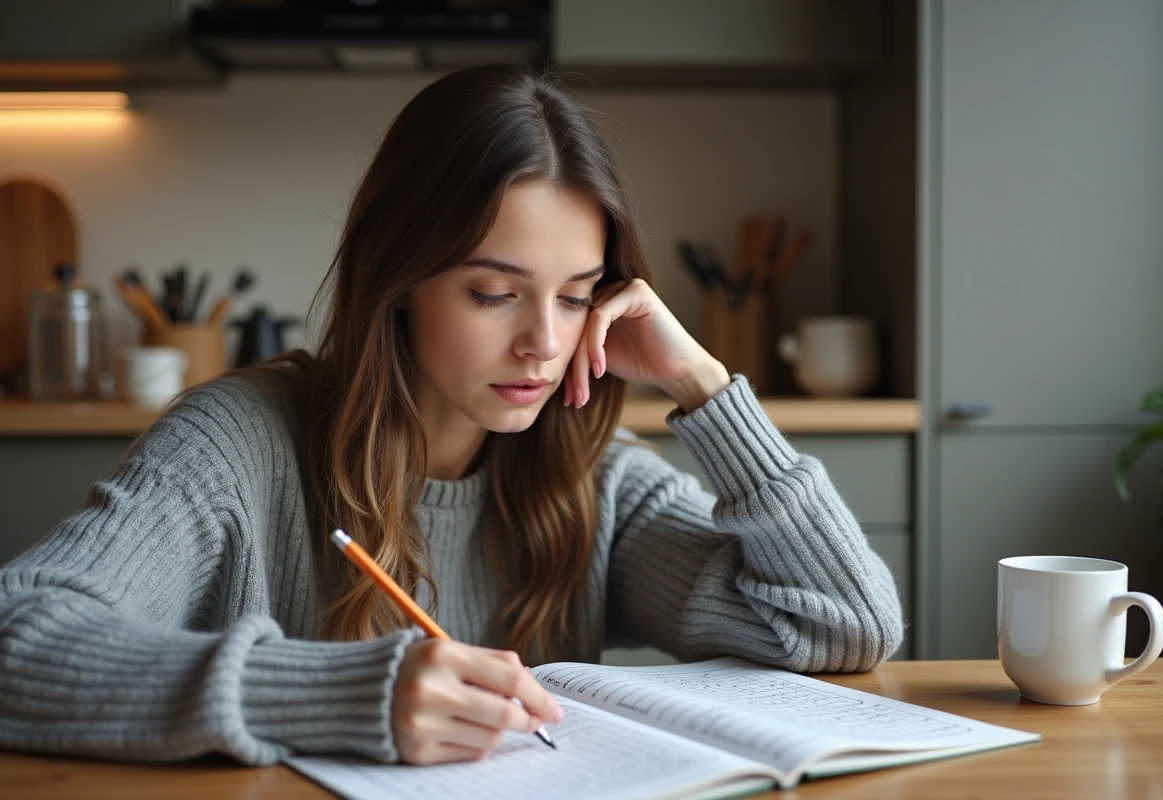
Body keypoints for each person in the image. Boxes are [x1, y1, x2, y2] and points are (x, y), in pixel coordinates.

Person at [0, 64, 903, 768]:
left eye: (578, 297)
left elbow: (845, 625)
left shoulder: (590, 474)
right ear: (400, 283)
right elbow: (17, 640)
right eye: (493, 293)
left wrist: (704, 382)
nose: (543, 345)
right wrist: (338, 695)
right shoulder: (236, 447)